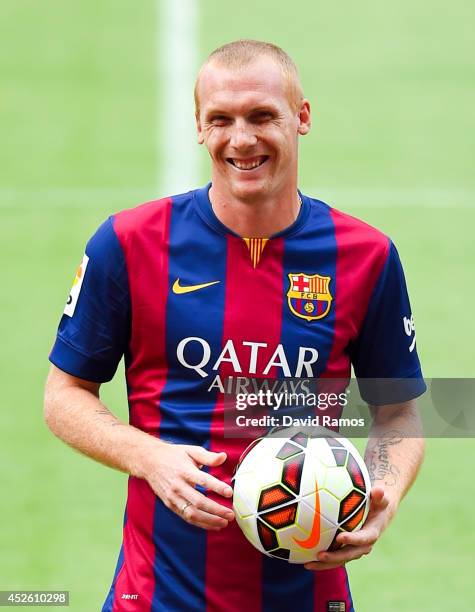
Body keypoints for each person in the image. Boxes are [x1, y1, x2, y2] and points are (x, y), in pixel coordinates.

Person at [44, 39, 426, 612]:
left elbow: (400, 408)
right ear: (199, 126)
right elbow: (63, 396)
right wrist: (149, 457)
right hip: (159, 596)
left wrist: (385, 495)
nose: (241, 139)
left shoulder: (365, 255)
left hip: (309, 594)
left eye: (262, 116)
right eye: (220, 119)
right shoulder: (128, 242)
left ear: (302, 117)